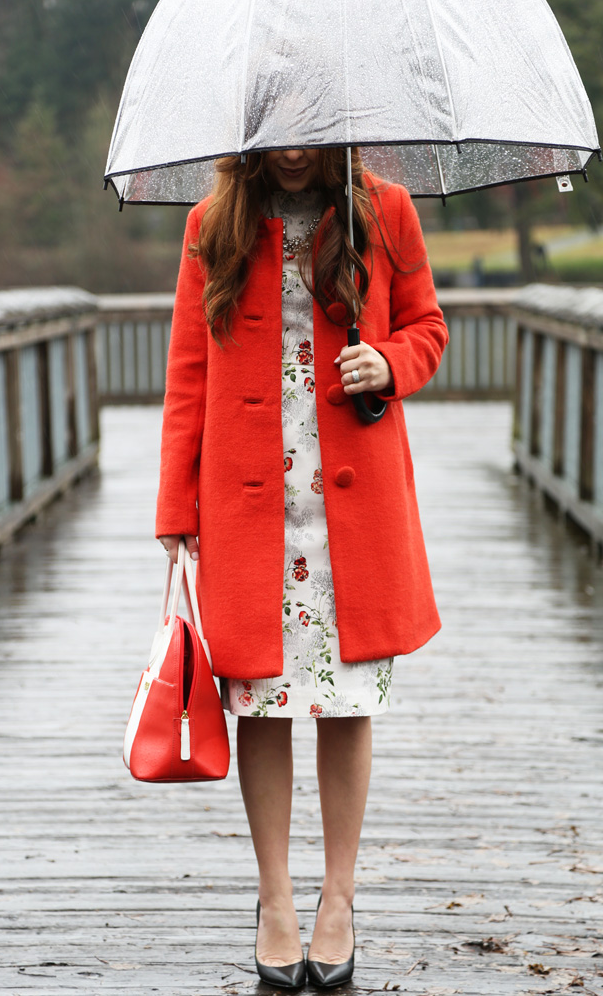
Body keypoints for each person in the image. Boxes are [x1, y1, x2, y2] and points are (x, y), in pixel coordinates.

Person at [156, 147, 448, 989]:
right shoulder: (214, 225)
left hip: (349, 507)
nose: (290, 149)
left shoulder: (382, 211)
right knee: (260, 695)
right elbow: (186, 372)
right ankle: (275, 897)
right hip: (250, 505)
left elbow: (428, 325)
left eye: (306, 128)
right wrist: (176, 506)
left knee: (347, 696)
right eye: (273, 129)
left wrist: (390, 361)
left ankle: (340, 897)